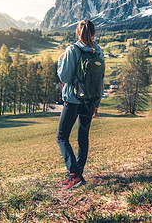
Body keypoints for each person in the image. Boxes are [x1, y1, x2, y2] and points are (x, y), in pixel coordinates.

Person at [56, 19, 105, 190]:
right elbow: (101, 81)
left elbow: (64, 78)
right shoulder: (98, 52)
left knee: (62, 137)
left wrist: (61, 60)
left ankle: (75, 175)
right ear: (94, 33)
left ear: (78, 33)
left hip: (73, 100)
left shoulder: (72, 50)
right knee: (82, 138)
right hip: (90, 101)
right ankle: (78, 173)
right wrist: (96, 104)